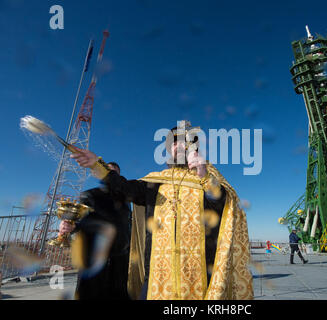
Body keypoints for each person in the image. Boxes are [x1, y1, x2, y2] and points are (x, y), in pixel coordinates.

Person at [69, 121, 253, 300]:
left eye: (185, 141)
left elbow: (224, 209)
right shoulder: (155, 182)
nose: (179, 146)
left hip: (199, 275)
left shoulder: (207, 178)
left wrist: (205, 177)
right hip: (158, 277)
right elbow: (124, 188)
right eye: (174, 142)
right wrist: (96, 164)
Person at [59, 162, 132, 299]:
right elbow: (77, 221)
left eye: (114, 173)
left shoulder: (126, 202)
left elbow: (128, 226)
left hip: (120, 260)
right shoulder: (89, 196)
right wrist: (67, 225)